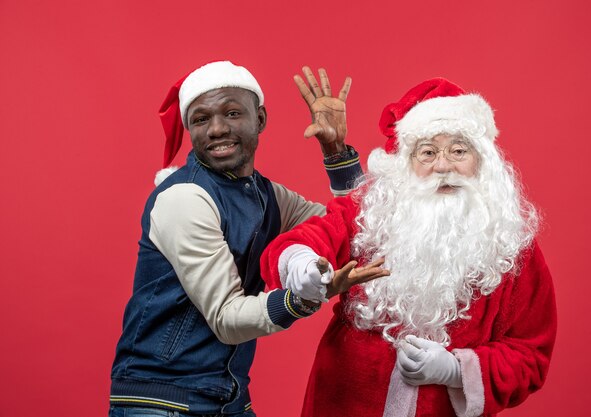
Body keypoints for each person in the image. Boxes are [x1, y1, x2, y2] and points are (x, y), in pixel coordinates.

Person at [261, 78, 557, 417]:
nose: (443, 167)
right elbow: (308, 238)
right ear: (406, 162)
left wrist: (456, 370)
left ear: (482, 161)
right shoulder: (372, 213)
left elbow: (531, 353)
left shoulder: (511, 245)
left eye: (458, 151)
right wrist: (301, 263)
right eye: (428, 152)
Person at [109, 61, 387, 417]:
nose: (217, 129)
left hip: (228, 399)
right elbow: (227, 319)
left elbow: (356, 231)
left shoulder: (265, 195)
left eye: (232, 112)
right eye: (200, 119)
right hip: (162, 402)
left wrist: (335, 152)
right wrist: (302, 297)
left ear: (260, 119)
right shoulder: (184, 199)